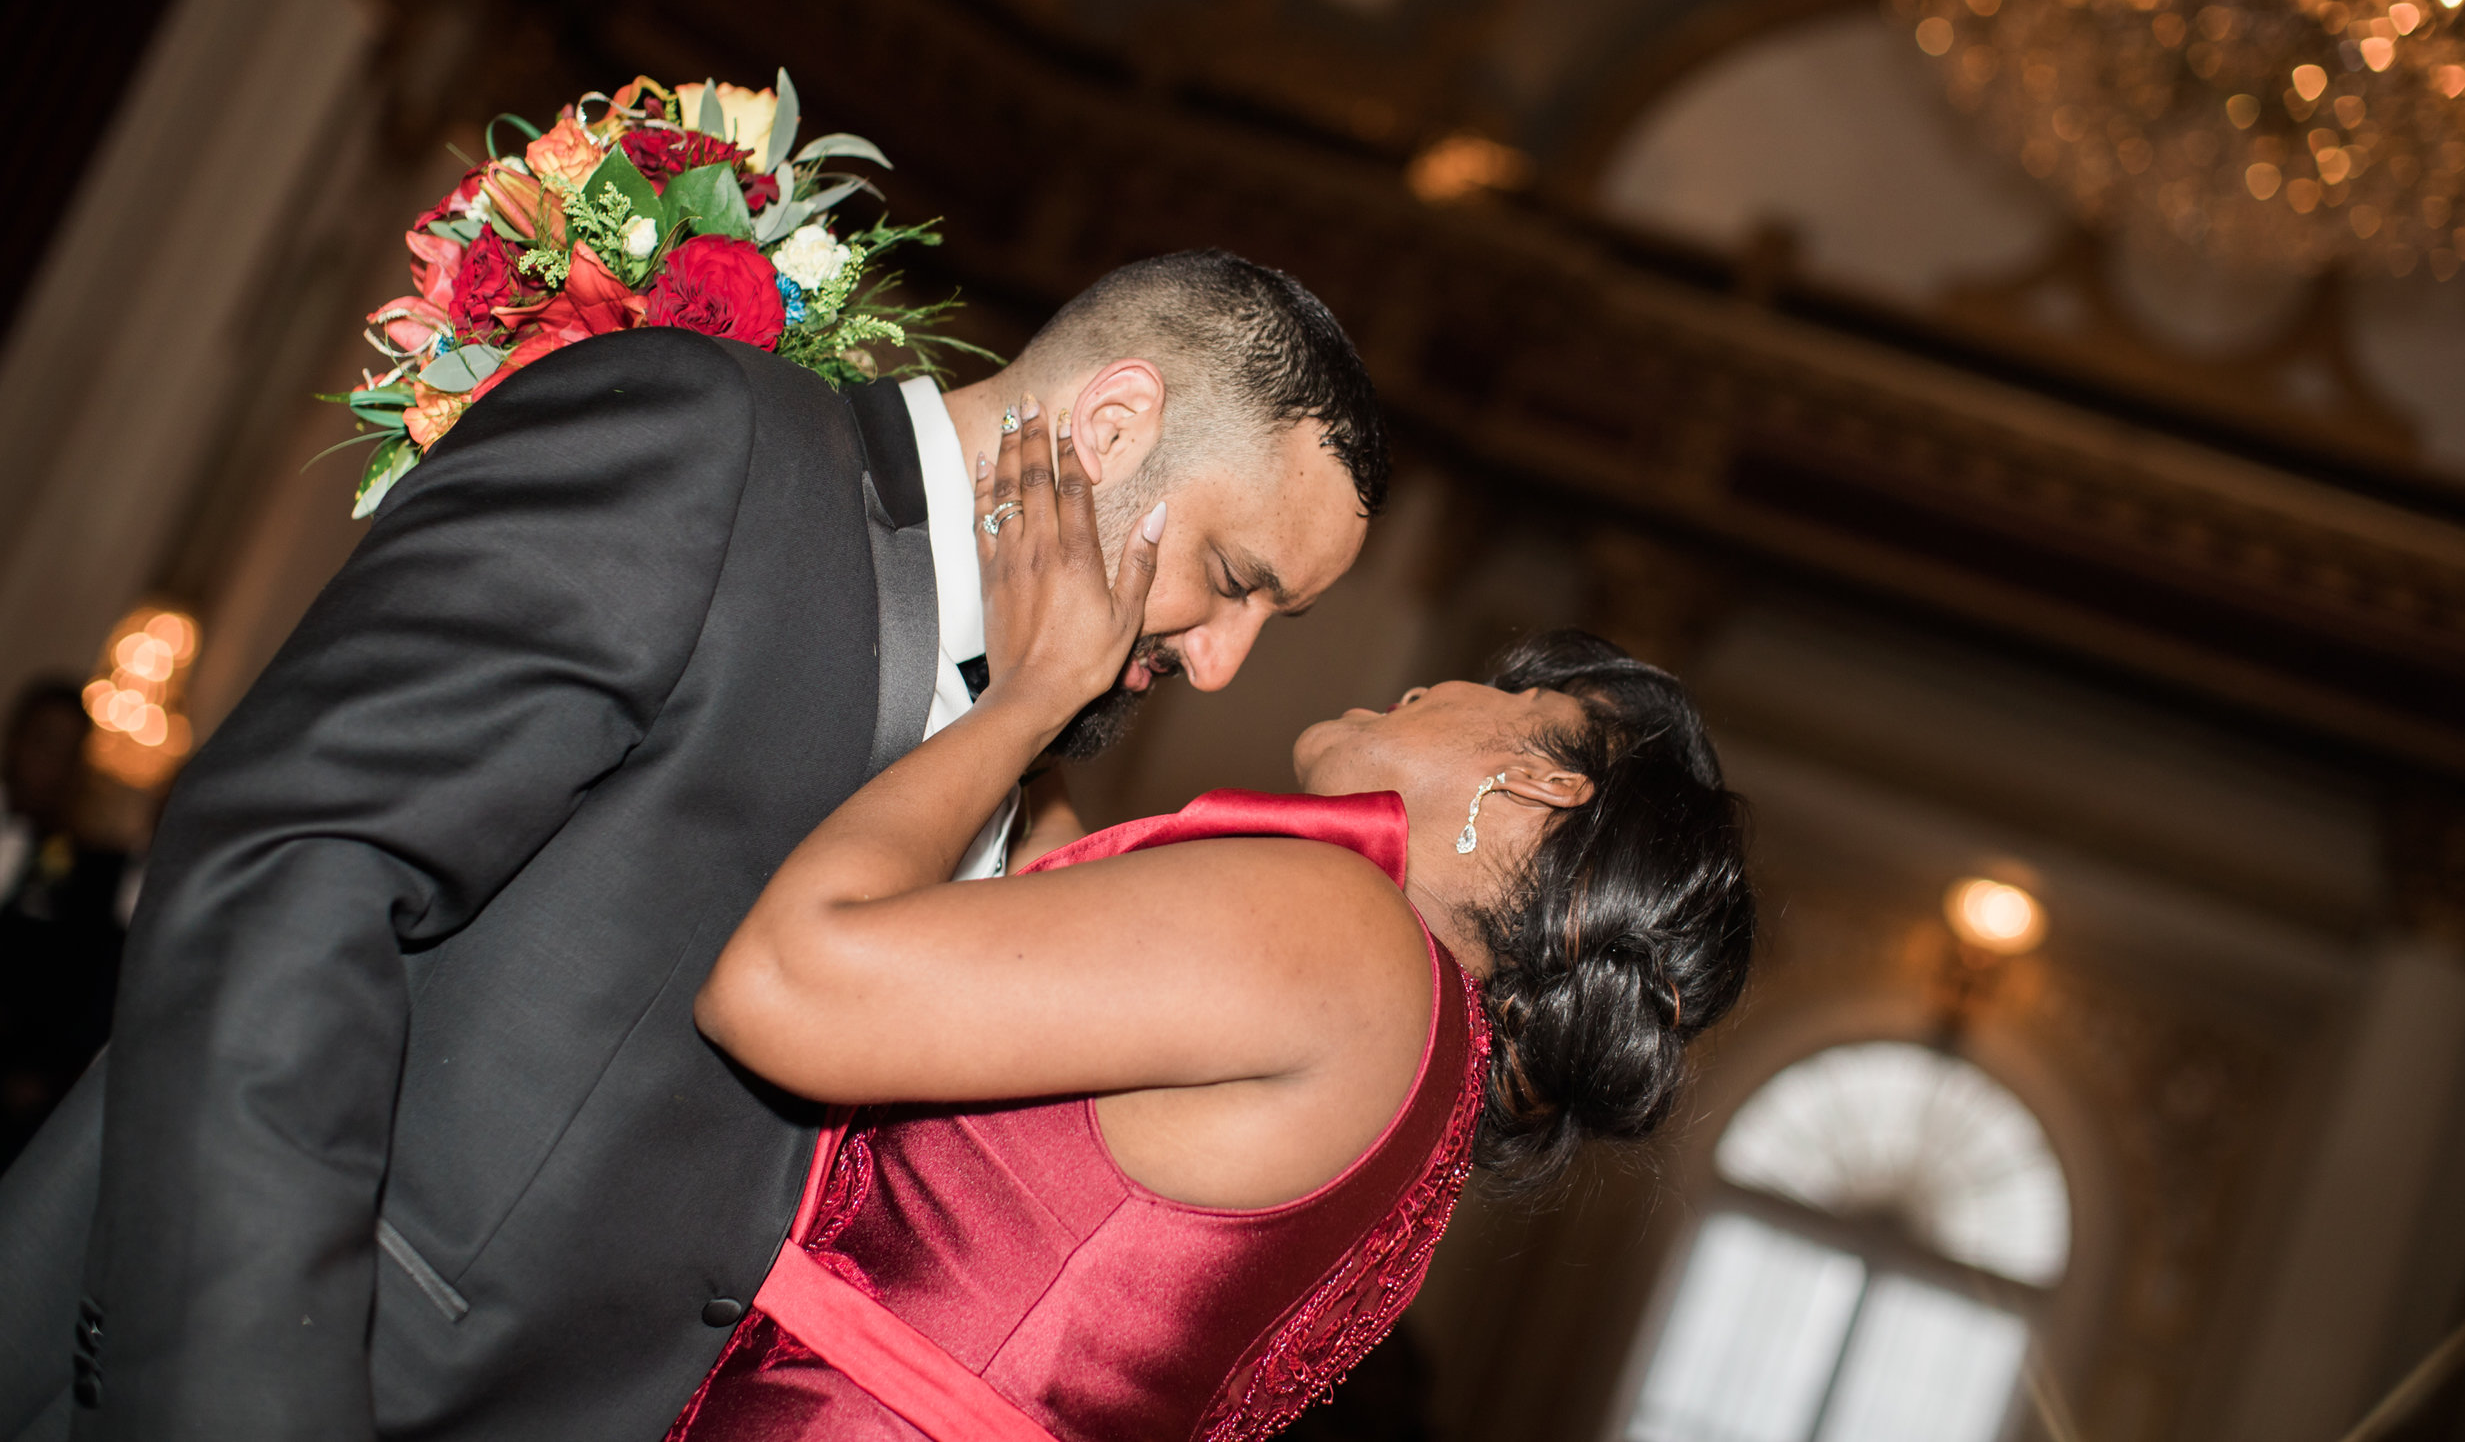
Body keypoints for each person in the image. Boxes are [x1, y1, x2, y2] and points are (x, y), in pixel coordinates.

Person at [0, 250, 1387, 1442]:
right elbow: (291, 869)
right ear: (1112, 421)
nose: (1221, 662)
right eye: (1235, 578)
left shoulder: (1015, 775)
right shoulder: (713, 445)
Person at [663, 402, 1755, 1440]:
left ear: (1538, 783)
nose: (1440, 688)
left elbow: (784, 987)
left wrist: (1035, 693)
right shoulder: (1422, 1046)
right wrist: (1056, 660)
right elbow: (1048, 898)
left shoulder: (1347, 931)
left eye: (1511, 696)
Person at [0, 683, 130, 1172]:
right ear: (15, 740)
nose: (54, 764)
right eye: (44, 742)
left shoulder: (92, 874)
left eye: (70, 753)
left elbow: (86, 986)